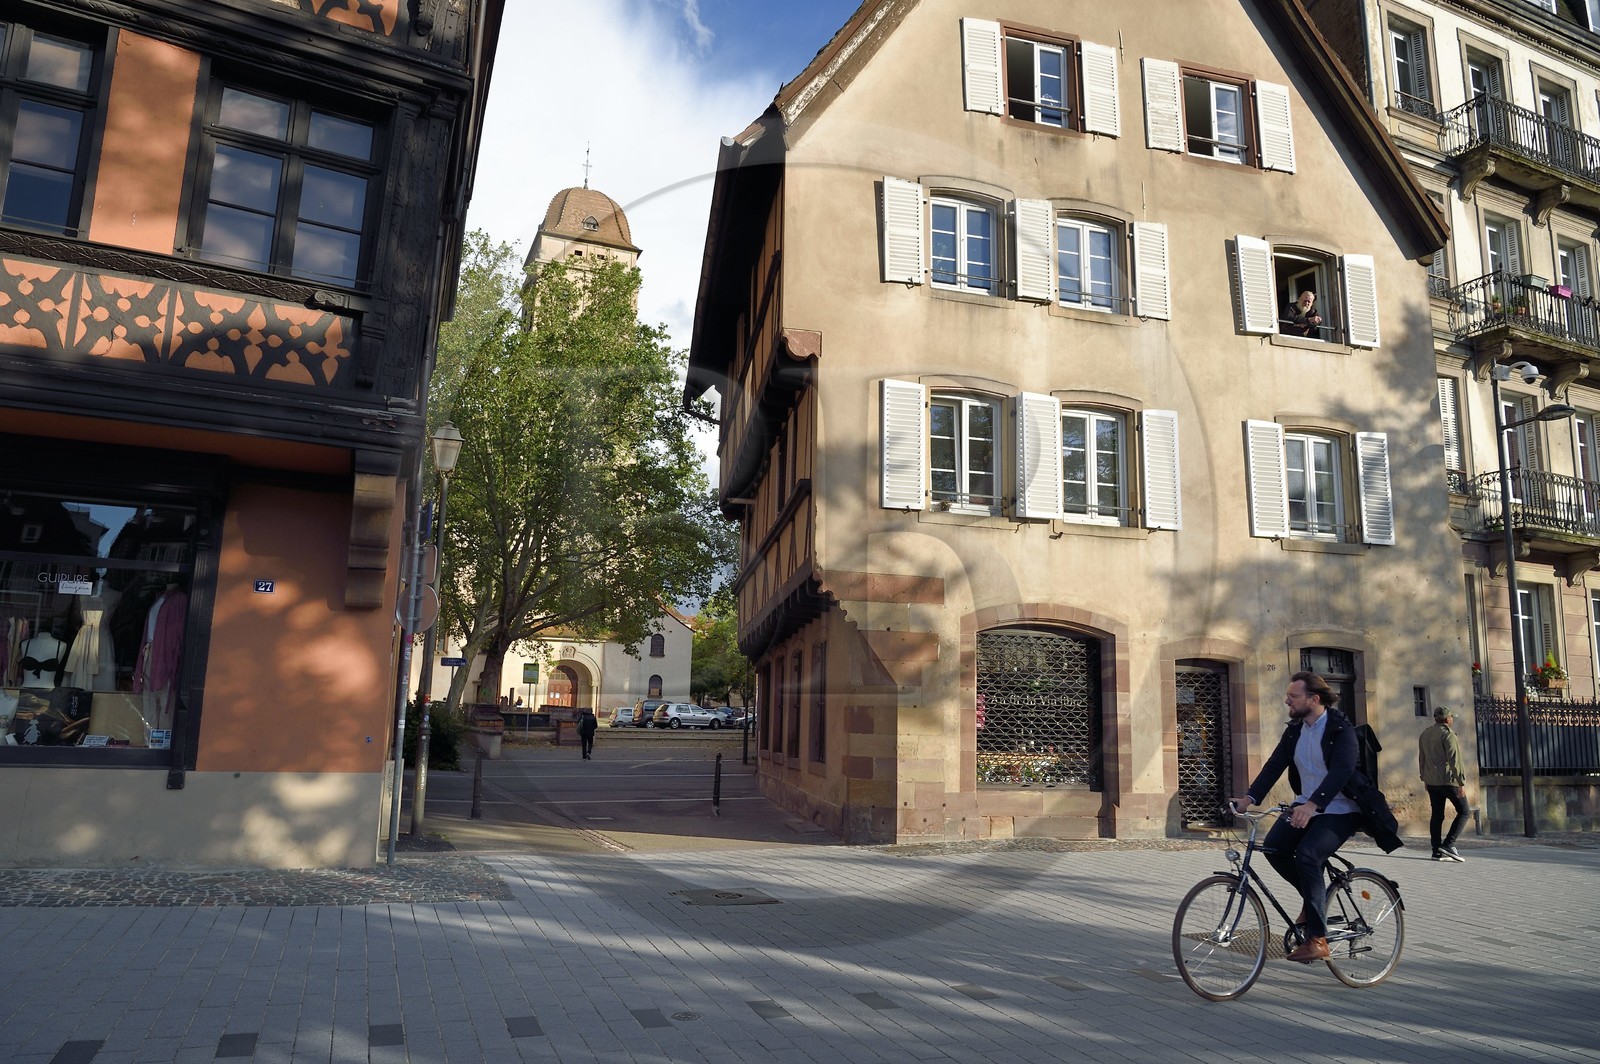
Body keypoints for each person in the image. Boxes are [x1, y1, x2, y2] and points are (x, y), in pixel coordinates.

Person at [1231, 671, 1401, 964]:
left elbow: (1342, 771)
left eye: (1293, 696)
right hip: (1304, 805)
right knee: (1274, 848)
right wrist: (1250, 798)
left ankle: (1318, 939)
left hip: (1341, 809)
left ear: (1314, 699)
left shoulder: (1339, 729)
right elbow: (1274, 765)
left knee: (1308, 855)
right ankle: (1314, 903)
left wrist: (1313, 805)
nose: (1287, 700)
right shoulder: (1296, 730)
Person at [1418, 705, 1469, 863]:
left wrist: (1424, 778)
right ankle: (1448, 844)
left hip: (1432, 781)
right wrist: (1461, 782)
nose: (1452, 719)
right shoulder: (1448, 735)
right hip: (1448, 780)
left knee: (1437, 815)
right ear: (1447, 719)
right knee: (1464, 811)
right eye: (1451, 717)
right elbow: (1455, 759)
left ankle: (1436, 851)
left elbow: (1422, 758)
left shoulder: (1425, 733)